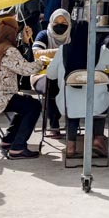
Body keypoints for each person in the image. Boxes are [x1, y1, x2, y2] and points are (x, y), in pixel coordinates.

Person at [47, 21, 109, 159]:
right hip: (96, 105)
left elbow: (50, 75)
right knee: (103, 97)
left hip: (68, 105)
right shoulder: (101, 51)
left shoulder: (62, 51)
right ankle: (98, 138)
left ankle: (70, 146)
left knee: (73, 106)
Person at [0, 16, 43, 159]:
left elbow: (18, 61)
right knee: (34, 106)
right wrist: (42, 62)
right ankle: (18, 148)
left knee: (25, 102)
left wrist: (25, 43)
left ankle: (8, 140)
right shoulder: (8, 50)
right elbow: (26, 69)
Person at [32, 9, 72, 137]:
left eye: (64, 23)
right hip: (41, 76)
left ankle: (74, 126)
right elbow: (36, 53)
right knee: (52, 84)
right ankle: (54, 124)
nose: (60, 25)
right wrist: (63, 51)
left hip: (67, 77)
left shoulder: (73, 36)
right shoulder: (44, 35)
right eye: (56, 22)